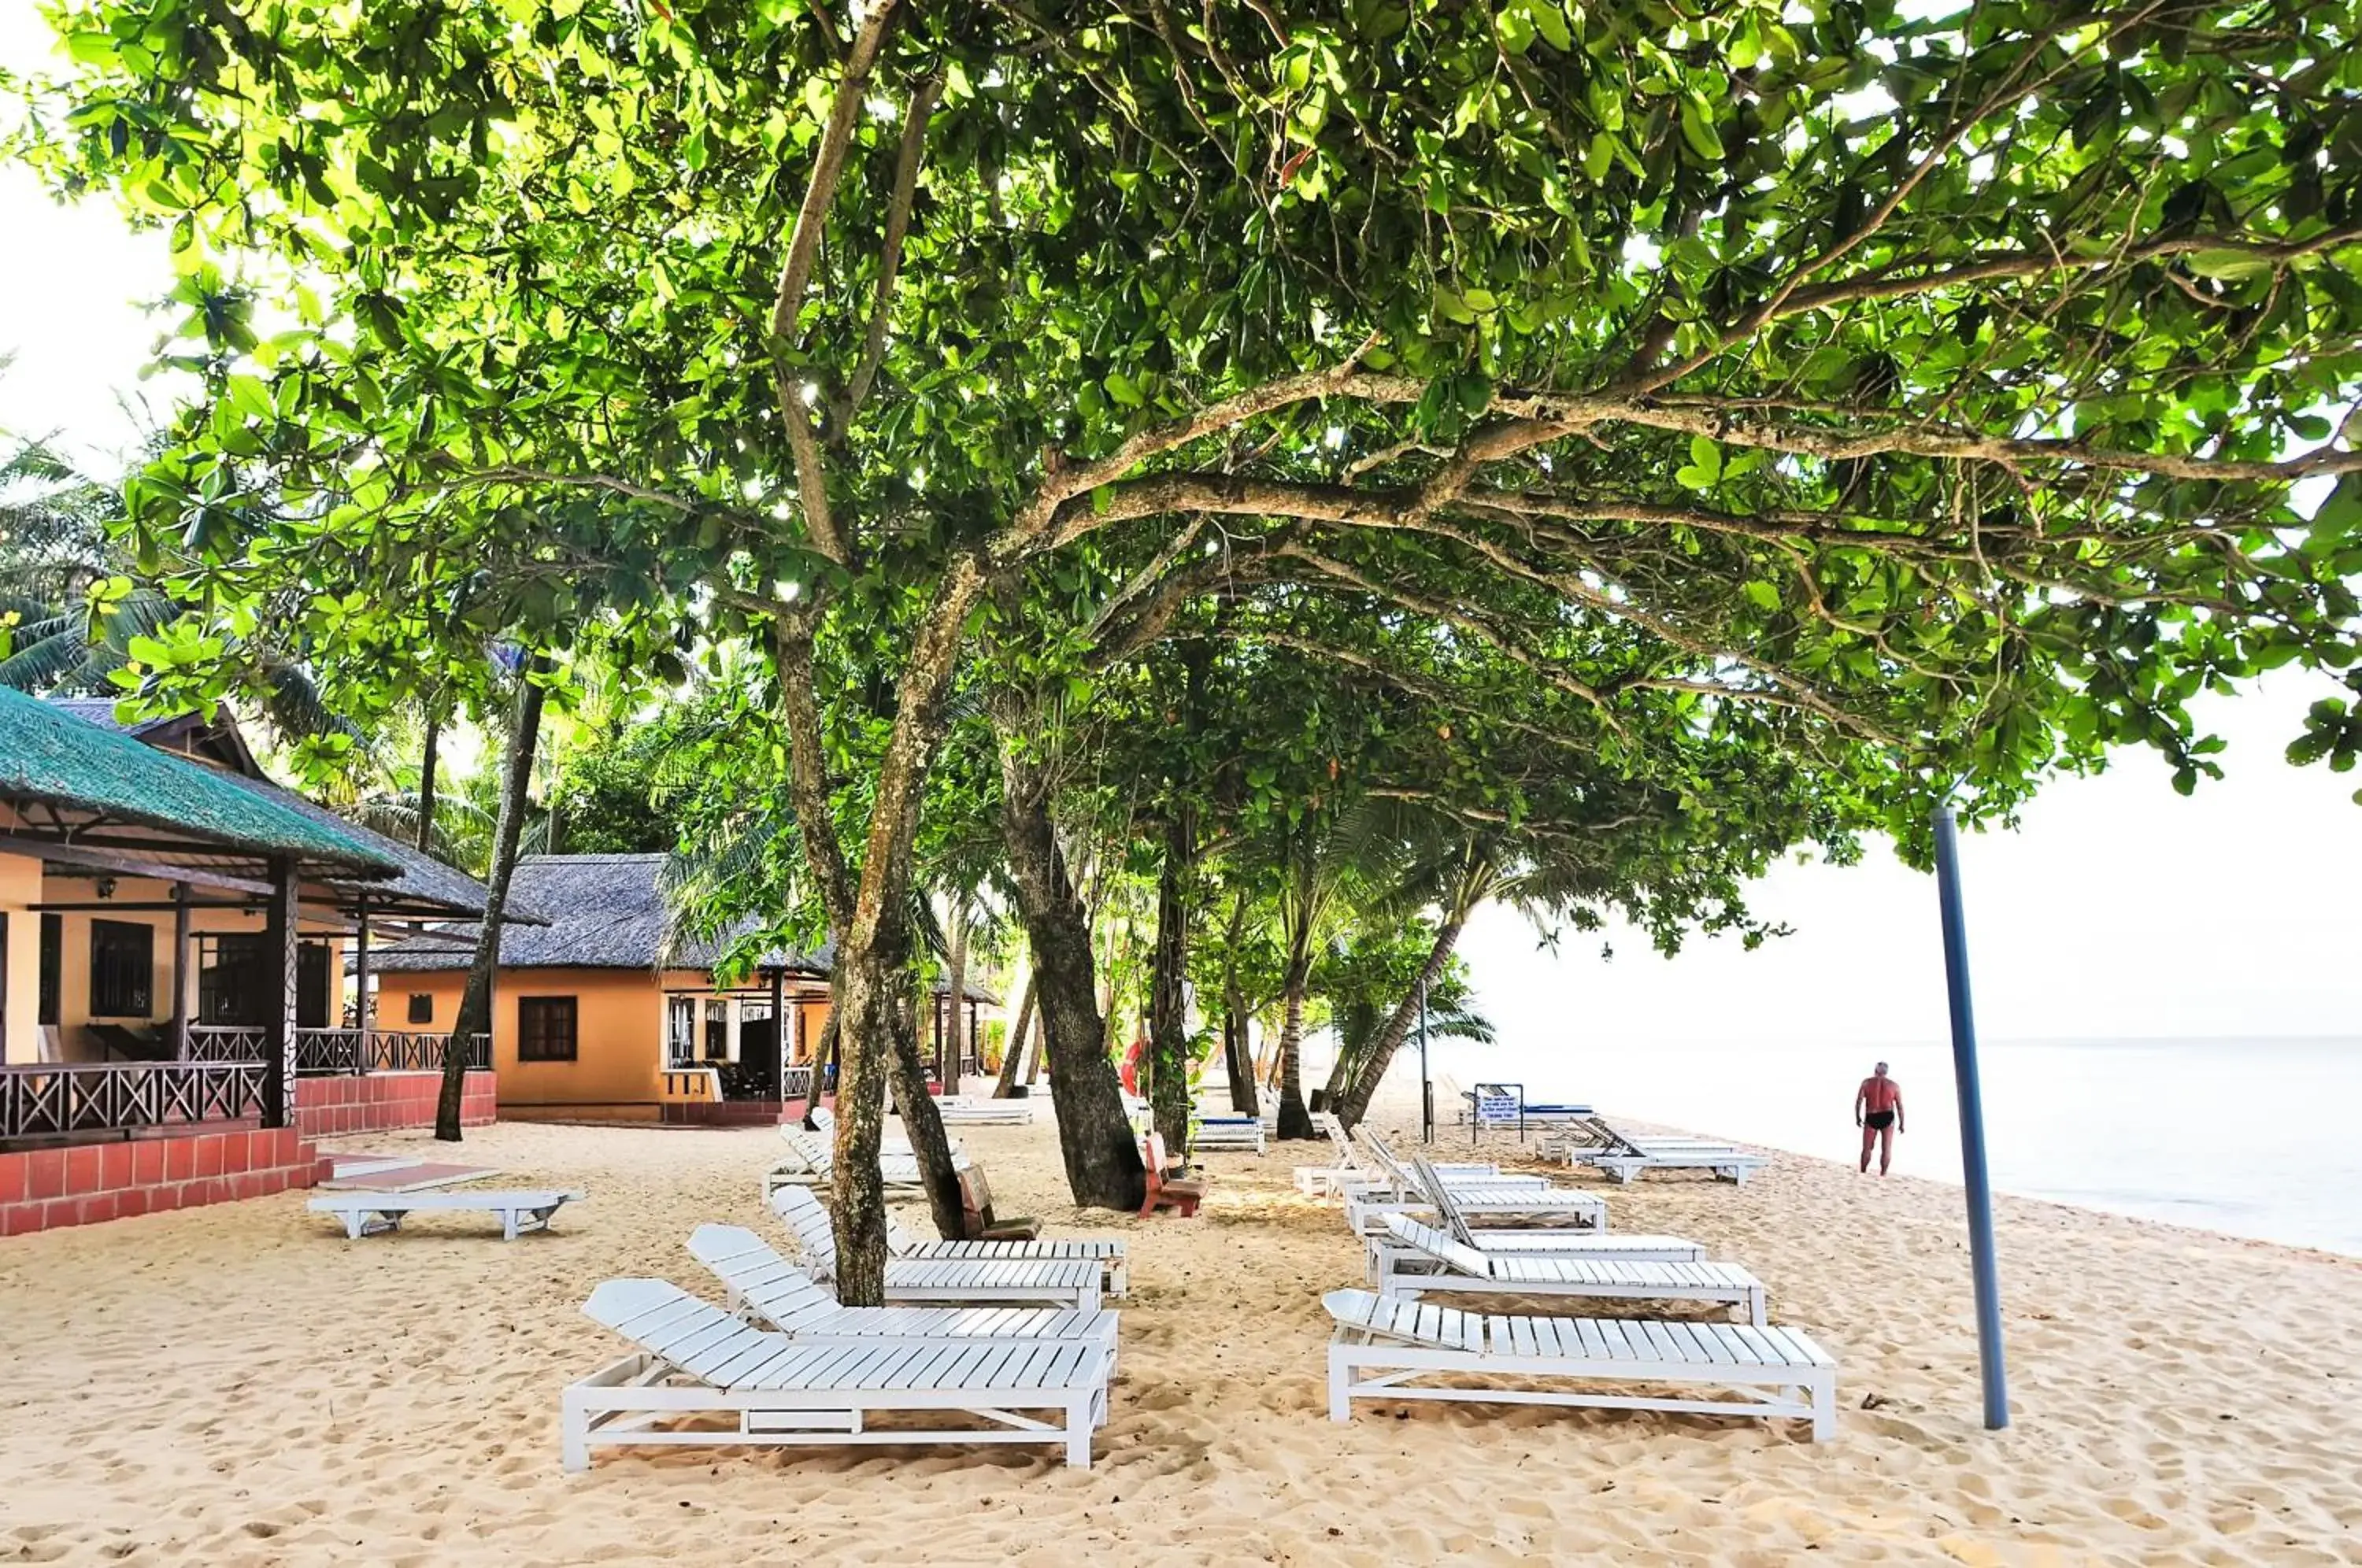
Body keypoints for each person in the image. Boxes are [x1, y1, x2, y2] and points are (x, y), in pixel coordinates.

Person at [1855, 1062, 1904, 1174]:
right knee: (1886, 1148)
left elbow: (1859, 1102)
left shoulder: (1867, 1083)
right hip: (1887, 1116)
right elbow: (1900, 1106)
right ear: (1886, 1072)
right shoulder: (1894, 1086)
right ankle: (1883, 1174)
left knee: (1867, 1148)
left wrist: (1857, 1117)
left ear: (1875, 1070)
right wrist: (1902, 1123)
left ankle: (1863, 1171)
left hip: (1872, 1115)